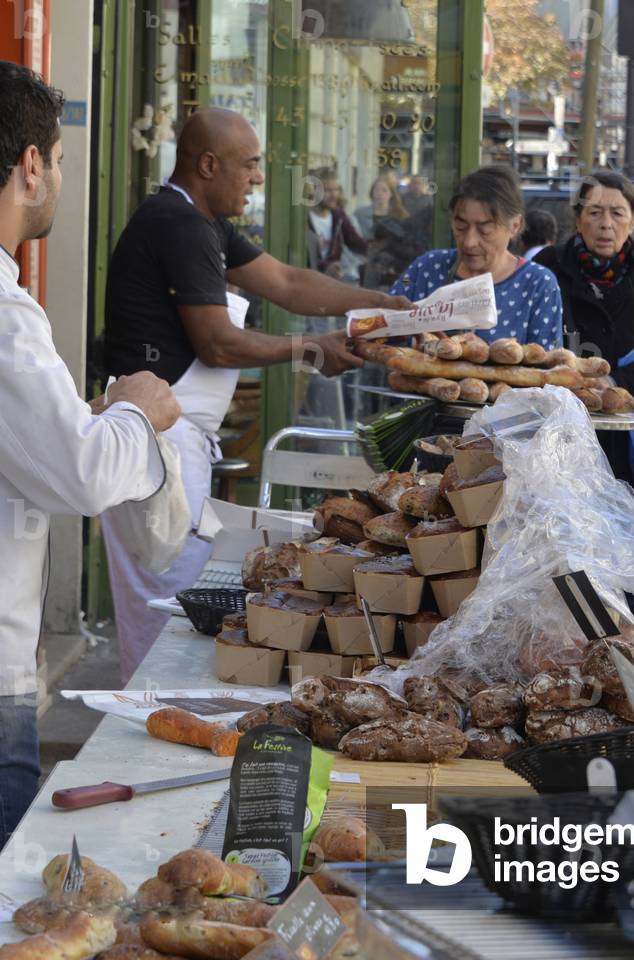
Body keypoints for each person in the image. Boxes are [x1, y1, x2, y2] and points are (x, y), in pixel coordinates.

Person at [103, 108, 411, 681]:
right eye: (250, 165)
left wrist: (383, 306)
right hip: (151, 447)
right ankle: (147, 734)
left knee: (176, 600)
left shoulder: (206, 220)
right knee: (164, 609)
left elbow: (290, 284)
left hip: (175, 446)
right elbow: (218, 344)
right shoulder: (180, 224)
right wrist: (310, 349)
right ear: (208, 164)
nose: (259, 178)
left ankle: (159, 720)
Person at [0, 62, 180, 845]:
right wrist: (139, 413)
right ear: (32, 166)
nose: (62, 178)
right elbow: (81, 474)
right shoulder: (5, 319)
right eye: (62, 159)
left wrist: (95, 416)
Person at [535, 173, 634, 692]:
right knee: (560, 575)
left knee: (633, 577)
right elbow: (531, 351)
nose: (605, 223)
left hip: (624, 458)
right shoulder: (547, 269)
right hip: (554, 454)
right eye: (595, 212)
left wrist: (611, 386)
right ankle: (574, 691)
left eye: (617, 213)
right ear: (577, 216)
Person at [390, 165, 563, 349]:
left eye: (484, 230)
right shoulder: (427, 268)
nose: (469, 242)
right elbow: (384, 327)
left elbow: (546, 368)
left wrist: (486, 358)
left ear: (514, 226)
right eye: (461, 226)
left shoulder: (538, 285)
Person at [306, 166, 368, 278]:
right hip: (307, 280)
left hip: (331, 282)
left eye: (336, 189)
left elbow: (357, 243)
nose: (334, 195)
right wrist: (326, 267)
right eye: (327, 190)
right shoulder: (304, 218)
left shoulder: (338, 216)